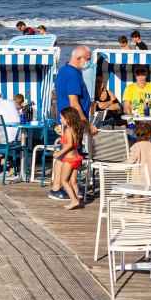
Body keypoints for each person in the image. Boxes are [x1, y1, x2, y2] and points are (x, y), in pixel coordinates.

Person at [49, 46, 93, 201]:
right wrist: (85, 123)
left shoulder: (67, 71)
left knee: (69, 153)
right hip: (71, 121)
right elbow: (74, 102)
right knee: (65, 155)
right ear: (79, 57)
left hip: (68, 120)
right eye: (87, 59)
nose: (88, 62)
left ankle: (69, 185)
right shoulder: (72, 75)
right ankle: (57, 187)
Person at [55, 107, 86, 210]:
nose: (60, 120)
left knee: (64, 181)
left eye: (62, 118)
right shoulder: (76, 128)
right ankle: (76, 200)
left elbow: (69, 144)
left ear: (67, 119)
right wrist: (62, 135)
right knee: (73, 182)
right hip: (77, 158)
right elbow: (72, 140)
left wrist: (59, 153)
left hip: (69, 159)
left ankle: (73, 200)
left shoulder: (68, 129)